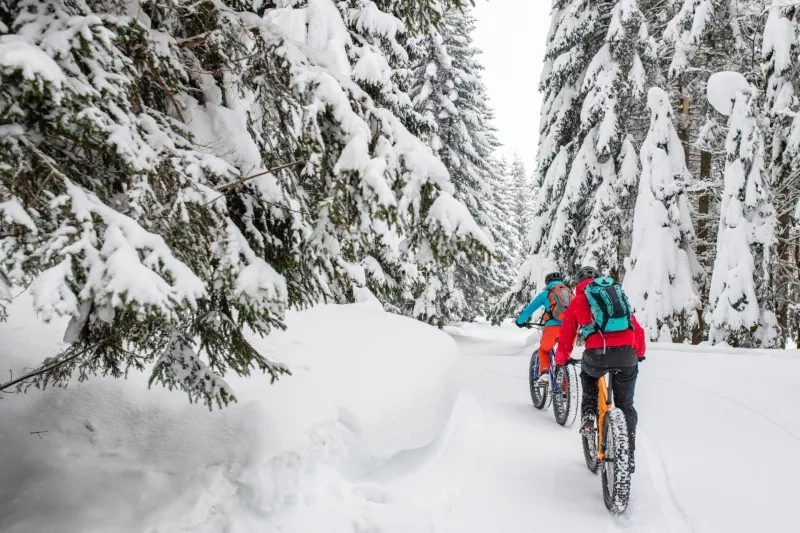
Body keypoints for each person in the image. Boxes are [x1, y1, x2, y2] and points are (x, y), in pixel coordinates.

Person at [554, 266, 646, 471]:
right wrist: (639, 354)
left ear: (579, 283)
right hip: (627, 355)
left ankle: (588, 416)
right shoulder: (617, 296)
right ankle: (628, 455)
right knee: (626, 405)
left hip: (596, 356)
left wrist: (561, 360)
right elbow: (636, 329)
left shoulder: (579, 301)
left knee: (588, 377)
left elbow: (567, 336)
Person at [516, 272, 574, 384]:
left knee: (544, 350)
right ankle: (565, 391)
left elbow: (530, 309)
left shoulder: (546, 294)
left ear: (547, 282)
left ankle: (544, 373)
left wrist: (520, 321)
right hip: (570, 328)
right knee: (563, 357)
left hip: (552, 328)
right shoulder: (570, 293)